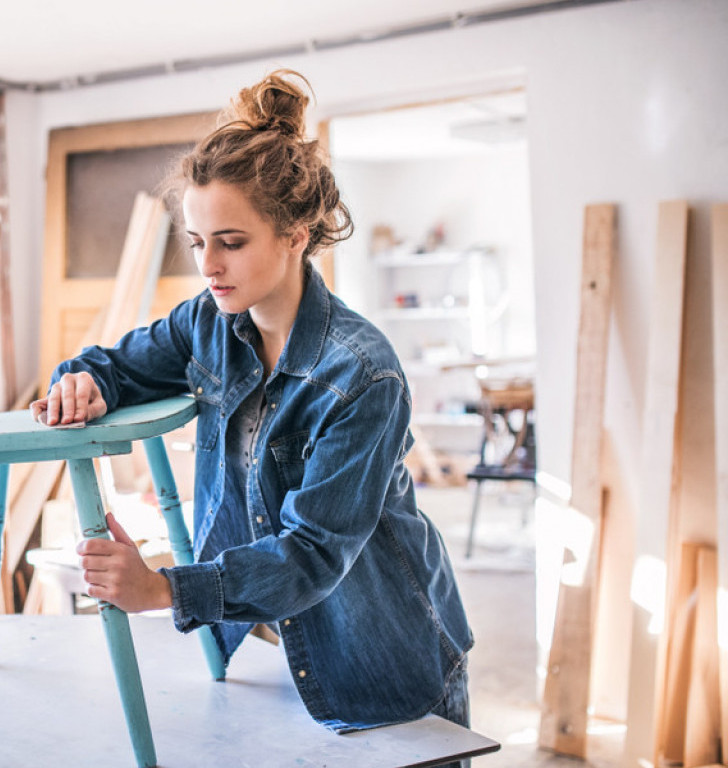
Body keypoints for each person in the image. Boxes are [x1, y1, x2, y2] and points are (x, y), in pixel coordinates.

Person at [31, 69, 474, 752]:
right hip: (275, 656)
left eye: (231, 242)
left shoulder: (362, 374)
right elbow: (114, 364)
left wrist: (162, 591)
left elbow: (311, 555)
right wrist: (81, 383)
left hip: (383, 660)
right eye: (197, 241)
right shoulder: (206, 322)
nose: (208, 265)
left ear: (296, 234)